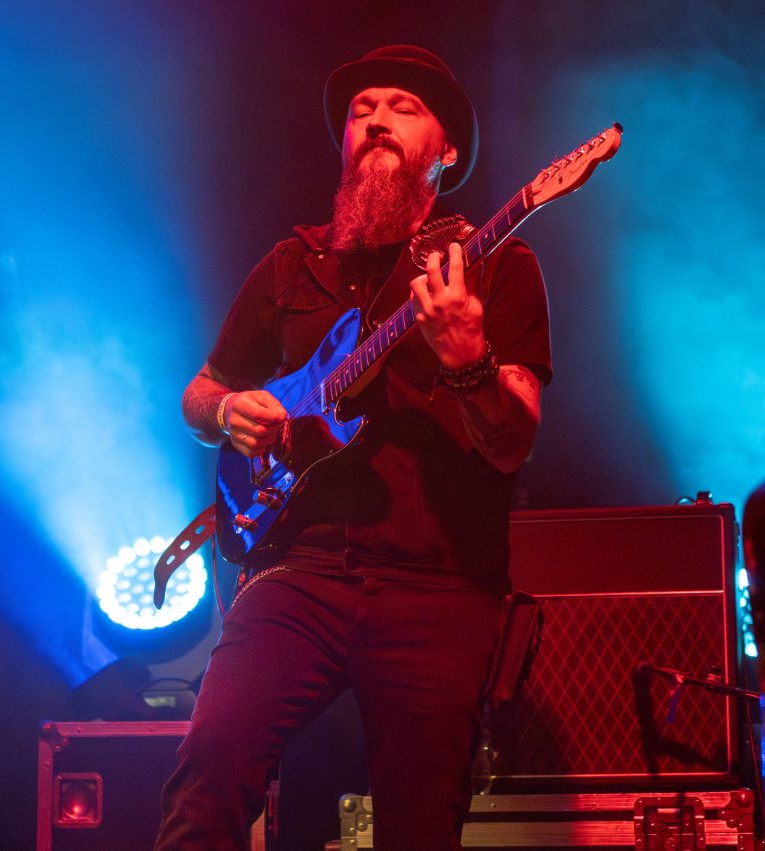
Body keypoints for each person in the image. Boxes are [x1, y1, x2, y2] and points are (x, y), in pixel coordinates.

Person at [155, 44, 551, 851]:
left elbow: (513, 444)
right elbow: (200, 393)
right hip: (297, 572)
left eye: (403, 107)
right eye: (361, 109)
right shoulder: (291, 265)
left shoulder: (497, 264)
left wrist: (469, 362)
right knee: (207, 775)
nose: (375, 119)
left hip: (439, 581)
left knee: (419, 826)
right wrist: (227, 410)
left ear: (446, 152)